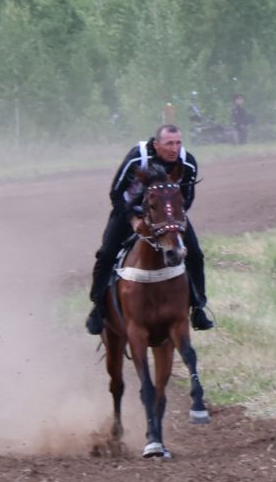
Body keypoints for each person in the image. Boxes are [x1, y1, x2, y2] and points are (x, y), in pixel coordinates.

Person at [83, 124, 213, 336]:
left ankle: (198, 307)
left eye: (178, 143)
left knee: (196, 254)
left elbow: (187, 199)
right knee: (106, 253)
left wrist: (175, 226)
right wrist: (133, 219)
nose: (174, 149)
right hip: (129, 211)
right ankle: (98, 307)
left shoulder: (188, 162)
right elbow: (116, 193)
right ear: (156, 144)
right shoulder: (138, 158)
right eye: (169, 143)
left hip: (167, 218)